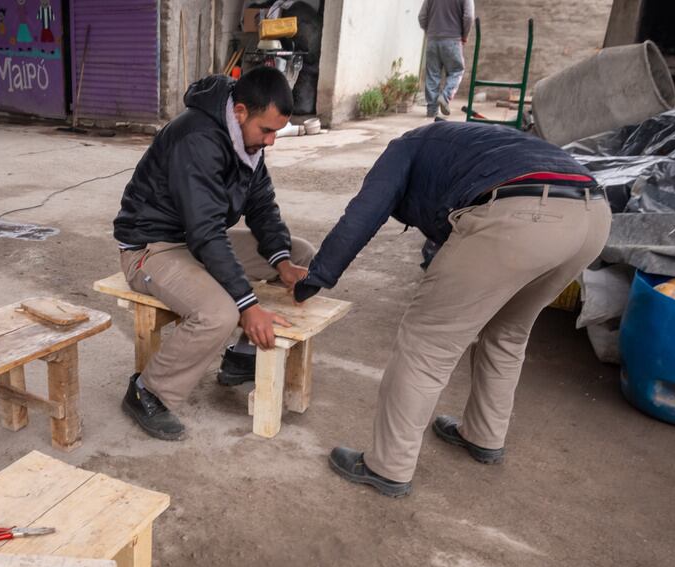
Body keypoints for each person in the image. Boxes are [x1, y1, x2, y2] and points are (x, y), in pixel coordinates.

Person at [289, 122, 612, 497]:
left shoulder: (402, 148)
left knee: (426, 343)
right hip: (593, 216)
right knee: (508, 333)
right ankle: (483, 436)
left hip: (521, 215)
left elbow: (363, 214)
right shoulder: (472, 145)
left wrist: (314, 278)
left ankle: (387, 466)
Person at [112, 67, 314, 441]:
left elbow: (262, 207)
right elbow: (206, 232)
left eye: (276, 132)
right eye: (266, 131)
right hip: (151, 247)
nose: (271, 141)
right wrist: (249, 306)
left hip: (195, 241)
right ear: (240, 112)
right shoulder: (197, 138)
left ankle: (240, 356)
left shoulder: (246, 142)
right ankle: (148, 391)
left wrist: (282, 262)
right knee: (220, 313)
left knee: (300, 253)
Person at [418, 0, 473, 121]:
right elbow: (469, 16)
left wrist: (430, 31)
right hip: (452, 40)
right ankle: (445, 96)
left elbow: (422, 16)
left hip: (433, 40)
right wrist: (464, 35)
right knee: (457, 71)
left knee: (432, 74)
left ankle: (431, 110)